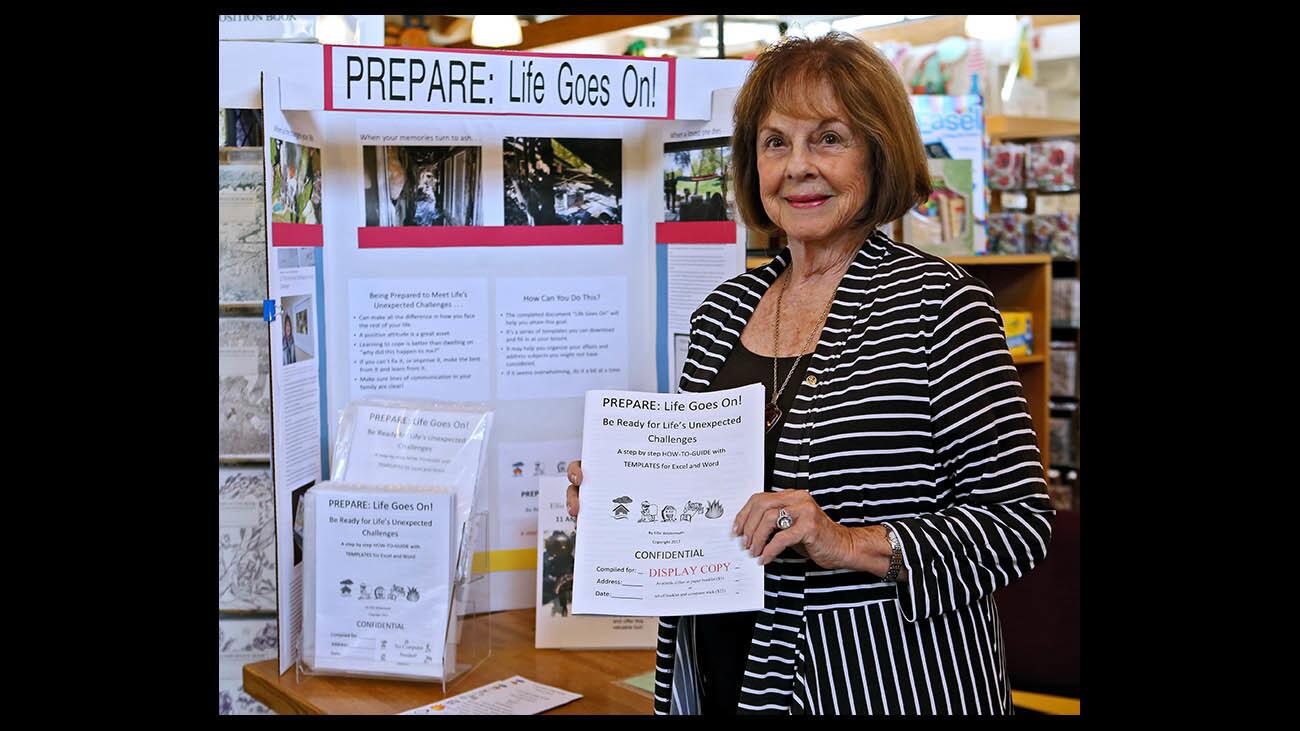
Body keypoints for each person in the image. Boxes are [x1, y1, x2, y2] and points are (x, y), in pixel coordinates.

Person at [567, 32, 1053, 716]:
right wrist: (625, 500)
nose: (797, 167)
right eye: (775, 142)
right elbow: (696, 494)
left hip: (887, 683)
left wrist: (846, 541)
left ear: (876, 152)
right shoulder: (720, 313)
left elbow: (1018, 521)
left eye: (828, 138)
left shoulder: (941, 306)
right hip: (725, 670)